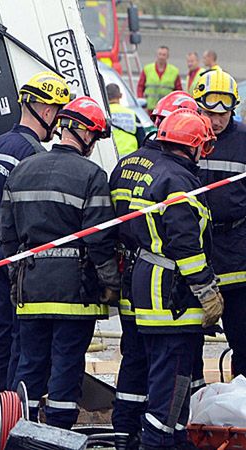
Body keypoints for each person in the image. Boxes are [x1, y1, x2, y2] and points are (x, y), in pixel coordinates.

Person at [1, 96, 120, 428]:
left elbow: (8, 239)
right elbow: (99, 240)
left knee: (29, 367)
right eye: (95, 137)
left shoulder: (21, 170)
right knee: (66, 368)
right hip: (74, 295)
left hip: (31, 288)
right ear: (84, 133)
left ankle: (17, 434)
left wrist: (17, 281)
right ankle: (58, 437)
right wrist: (111, 284)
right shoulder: (92, 176)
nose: (94, 145)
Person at [108, 91, 201, 450]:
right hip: (167, 290)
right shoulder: (174, 176)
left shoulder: (128, 163)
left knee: (136, 359)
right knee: (173, 370)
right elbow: (183, 238)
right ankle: (162, 436)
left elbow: (114, 223)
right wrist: (206, 288)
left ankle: (125, 431)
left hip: (133, 277)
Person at [0, 71, 71, 391]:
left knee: (0, 335)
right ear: (46, 111)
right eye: (59, 113)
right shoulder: (36, 157)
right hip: (22, 260)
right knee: (22, 337)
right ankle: (13, 411)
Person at [129, 108, 222, 450]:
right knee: (170, 393)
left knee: (169, 382)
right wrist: (207, 291)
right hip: (172, 302)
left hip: (152, 293)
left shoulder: (158, 173)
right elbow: (186, 247)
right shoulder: (180, 182)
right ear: (194, 146)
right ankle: (157, 443)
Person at [193, 70, 246, 378]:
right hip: (195, 252)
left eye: (223, 114)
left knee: (243, 340)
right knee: (186, 343)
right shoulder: (185, 136)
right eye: (210, 113)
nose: (216, 121)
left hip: (237, 252)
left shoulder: (243, 140)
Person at [137, 46, 182, 113]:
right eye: (160, 54)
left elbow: (178, 91)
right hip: (149, 108)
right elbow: (140, 87)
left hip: (166, 109)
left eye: (164, 55)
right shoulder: (147, 69)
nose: (161, 57)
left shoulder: (174, 71)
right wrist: (142, 104)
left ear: (167, 56)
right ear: (157, 55)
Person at [107, 83, 140, 157]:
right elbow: (141, 137)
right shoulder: (131, 113)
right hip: (131, 156)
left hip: (109, 156)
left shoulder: (104, 114)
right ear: (120, 95)